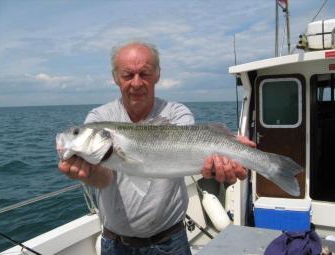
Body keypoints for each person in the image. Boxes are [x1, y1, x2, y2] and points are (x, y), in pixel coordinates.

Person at [58, 41, 255, 255]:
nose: (136, 83)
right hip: (115, 244)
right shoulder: (99, 118)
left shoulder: (177, 113)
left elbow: (189, 149)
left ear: (157, 75)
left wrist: (225, 159)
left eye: (144, 73)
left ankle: (268, 164)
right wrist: (89, 174)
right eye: (127, 75)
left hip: (170, 241)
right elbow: (103, 179)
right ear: (115, 78)